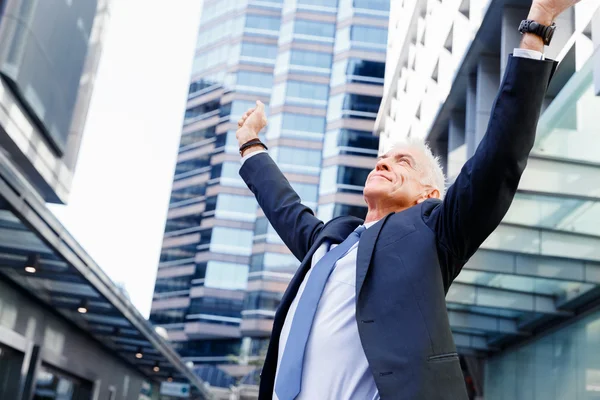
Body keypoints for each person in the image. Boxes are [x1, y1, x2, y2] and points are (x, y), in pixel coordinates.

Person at [235, 0, 576, 398]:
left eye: (402, 162)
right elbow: (285, 208)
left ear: (428, 195)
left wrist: (539, 23)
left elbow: (499, 157)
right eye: (382, 157)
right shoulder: (331, 242)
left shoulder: (434, 232)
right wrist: (250, 145)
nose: (384, 163)